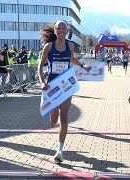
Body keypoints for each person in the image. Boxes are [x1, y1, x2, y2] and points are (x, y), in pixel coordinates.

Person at [38, 20, 87, 163]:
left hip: (66, 85)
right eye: (58, 28)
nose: (60, 30)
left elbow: (71, 59)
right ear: (55, 31)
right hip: (52, 85)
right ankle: (53, 116)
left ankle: (59, 150)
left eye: (63, 28)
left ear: (67, 31)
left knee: (64, 117)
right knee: (54, 119)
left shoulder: (70, 45)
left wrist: (81, 64)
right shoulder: (48, 47)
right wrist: (42, 81)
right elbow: (40, 66)